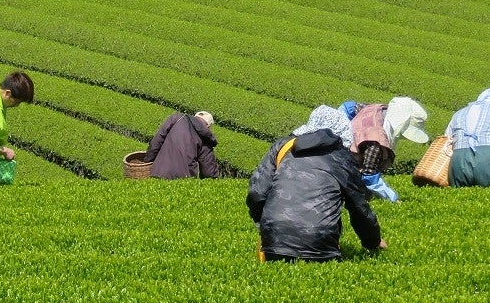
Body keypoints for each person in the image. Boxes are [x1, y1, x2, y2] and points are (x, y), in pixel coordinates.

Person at [246, 105, 384, 262]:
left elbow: (256, 193)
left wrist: (265, 226)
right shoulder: (342, 158)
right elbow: (358, 207)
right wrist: (373, 242)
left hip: (274, 243)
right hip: (321, 247)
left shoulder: (282, 147)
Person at [340, 96, 429, 201]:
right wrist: (393, 199)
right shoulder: (375, 143)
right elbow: (370, 176)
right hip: (339, 125)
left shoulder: (381, 112)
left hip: (342, 112)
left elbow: (352, 106)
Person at [142, 110, 219, 179]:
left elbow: (157, 141)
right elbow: (208, 172)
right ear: (208, 125)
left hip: (160, 172)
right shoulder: (206, 138)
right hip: (184, 180)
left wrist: (147, 161)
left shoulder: (177, 118)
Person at [445, 87, 490, 187]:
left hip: (458, 159)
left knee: (459, 195)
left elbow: (447, 137)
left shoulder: (459, 113)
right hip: (487, 157)